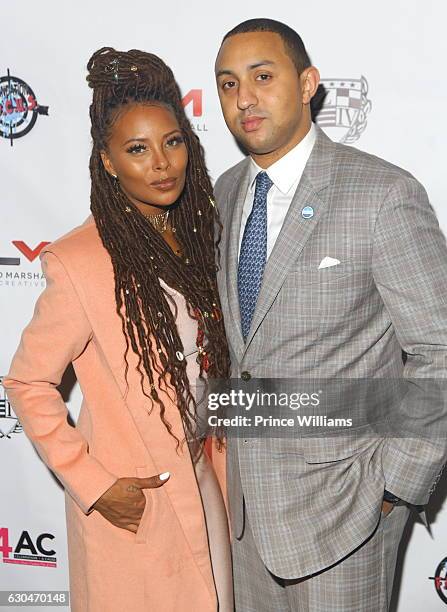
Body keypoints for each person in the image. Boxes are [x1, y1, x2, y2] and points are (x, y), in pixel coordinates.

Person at [213, 18, 447, 611]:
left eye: (263, 77)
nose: (245, 99)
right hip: (245, 513)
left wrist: (394, 485)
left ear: (309, 83)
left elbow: (439, 349)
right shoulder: (224, 192)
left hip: (347, 512)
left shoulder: (382, 194)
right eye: (228, 83)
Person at [4, 47, 233, 612]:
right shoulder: (80, 260)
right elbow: (27, 383)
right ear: (107, 161)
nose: (162, 164)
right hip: (140, 502)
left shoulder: (203, 237)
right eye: (137, 149)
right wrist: (94, 482)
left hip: (210, 485)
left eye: (172, 142)